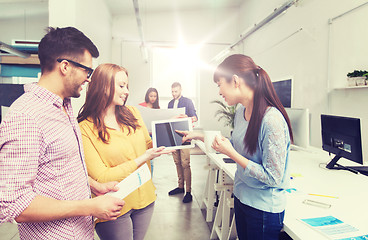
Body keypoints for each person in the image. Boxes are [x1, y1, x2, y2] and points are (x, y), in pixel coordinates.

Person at [0, 27, 125, 240]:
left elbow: (60, 168)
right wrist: (90, 207)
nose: (88, 79)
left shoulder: (64, 106)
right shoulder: (26, 116)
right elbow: (15, 204)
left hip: (81, 232)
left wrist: (95, 186)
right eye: (87, 71)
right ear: (65, 66)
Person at [178, 54, 293, 239]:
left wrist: (232, 154)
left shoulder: (272, 120)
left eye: (219, 84)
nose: (219, 92)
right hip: (242, 198)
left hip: (263, 209)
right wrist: (198, 135)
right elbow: (235, 145)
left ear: (235, 81)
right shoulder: (241, 112)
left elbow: (273, 177)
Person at [78, 63, 172, 240]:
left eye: (127, 86)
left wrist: (169, 131)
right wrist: (144, 158)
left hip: (145, 197)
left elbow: (147, 144)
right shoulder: (85, 128)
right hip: (113, 204)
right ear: (103, 86)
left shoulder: (132, 113)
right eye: (121, 86)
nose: (127, 91)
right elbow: (102, 177)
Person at [167, 82, 198, 203]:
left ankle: (188, 191)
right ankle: (180, 187)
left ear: (180, 90)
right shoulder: (170, 103)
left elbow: (195, 117)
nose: (174, 93)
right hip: (173, 136)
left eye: (176, 91)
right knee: (177, 162)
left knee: (185, 163)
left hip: (185, 135)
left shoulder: (188, 101)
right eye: (172, 91)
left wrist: (187, 117)